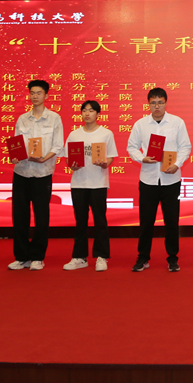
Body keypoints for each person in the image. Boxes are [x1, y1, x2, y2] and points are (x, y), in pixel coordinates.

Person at [127, 87, 192, 273]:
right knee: (146, 222)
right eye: (153, 103)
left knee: (171, 222)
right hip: (148, 180)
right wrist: (142, 158)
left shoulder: (177, 123)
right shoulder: (140, 124)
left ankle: (172, 258)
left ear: (166, 103)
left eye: (160, 103)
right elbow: (131, 147)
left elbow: (185, 147)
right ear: (148, 104)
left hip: (171, 180)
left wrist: (177, 164)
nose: (157, 106)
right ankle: (143, 258)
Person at [8, 79, 64, 271]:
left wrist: (43, 159)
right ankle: (21, 257)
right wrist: (14, 156)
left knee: (41, 217)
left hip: (42, 173)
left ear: (46, 95)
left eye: (39, 93)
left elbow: (58, 145)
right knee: (19, 216)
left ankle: (38, 257)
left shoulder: (54, 118)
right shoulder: (22, 119)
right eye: (32, 93)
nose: (35, 96)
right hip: (22, 172)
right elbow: (16, 143)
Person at [60, 101, 118, 272]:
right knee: (80, 222)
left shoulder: (106, 133)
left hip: (98, 183)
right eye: (84, 111)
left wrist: (104, 163)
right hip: (79, 183)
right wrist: (72, 165)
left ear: (98, 114)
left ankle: (101, 256)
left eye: (91, 111)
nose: (87, 114)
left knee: (100, 221)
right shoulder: (74, 134)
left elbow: (111, 157)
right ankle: (79, 257)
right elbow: (68, 159)